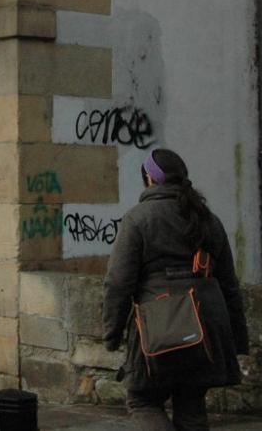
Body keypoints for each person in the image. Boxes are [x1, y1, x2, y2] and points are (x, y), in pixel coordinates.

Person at [102, 148, 249, 431]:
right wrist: (238, 340)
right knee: (191, 404)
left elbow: (118, 284)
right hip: (205, 329)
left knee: (143, 401)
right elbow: (229, 285)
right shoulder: (208, 219)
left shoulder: (138, 219)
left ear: (149, 179)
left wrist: (112, 334)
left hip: (159, 326)